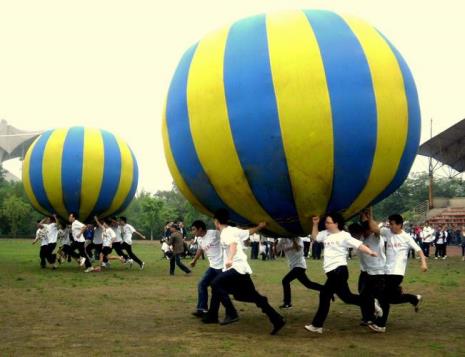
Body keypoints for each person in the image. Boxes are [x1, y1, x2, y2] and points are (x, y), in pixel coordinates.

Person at [202, 209, 285, 335]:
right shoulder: (233, 230)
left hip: (236, 268)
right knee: (244, 296)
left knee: (215, 284)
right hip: (242, 269)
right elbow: (248, 232)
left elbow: (233, 245)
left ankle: (231, 313)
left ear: (216, 221)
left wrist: (229, 259)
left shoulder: (225, 233)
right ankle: (276, 319)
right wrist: (259, 227)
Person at [305, 214, 378, 334]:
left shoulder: (344, 235)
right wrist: (315, 224)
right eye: (326, 223)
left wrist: (370, 252)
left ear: (336, 223)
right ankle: (370, 303)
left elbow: (358, 245)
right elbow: (315, 237)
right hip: (331, 272)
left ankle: (317, 325)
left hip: (339, 271)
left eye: (329, 222)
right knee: (347, 298)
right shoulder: (325, 233)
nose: (326, 224)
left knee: (324, 295)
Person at [366, 213, 428, 333]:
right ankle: (413, 298)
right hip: (386, 271)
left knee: (383, 297)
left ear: (400, 225)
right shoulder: (387, 232)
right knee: (391, 298)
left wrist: (423, 263)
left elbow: (419, 250)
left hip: (397, 272)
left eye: (393, 224)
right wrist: (369, 218)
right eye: (389, 224)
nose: (390, 226)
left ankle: (381, 324)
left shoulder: (406, 237)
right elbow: (375, 229)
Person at [275, 237, 323, 309]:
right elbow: (276, 252)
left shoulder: (298, 239)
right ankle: (327, 289)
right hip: (293, 266)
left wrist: (292, 239)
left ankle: (287, 303)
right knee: (308, 284)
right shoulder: (283, 240)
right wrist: (275, 243)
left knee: (285, 281)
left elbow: (297, 248)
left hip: (300, 266)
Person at [190, 220, 223, 317]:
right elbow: (200, 249)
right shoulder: (199, 238)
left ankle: (227, 312)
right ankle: (202, 309)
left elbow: (227, 235)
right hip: (213, 267)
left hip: (222, 267)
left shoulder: (214, 233)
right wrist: (194, 260)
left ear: (200, 229)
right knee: (202, 284)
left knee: (219, 289)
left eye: (193, 230)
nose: (192, 232)